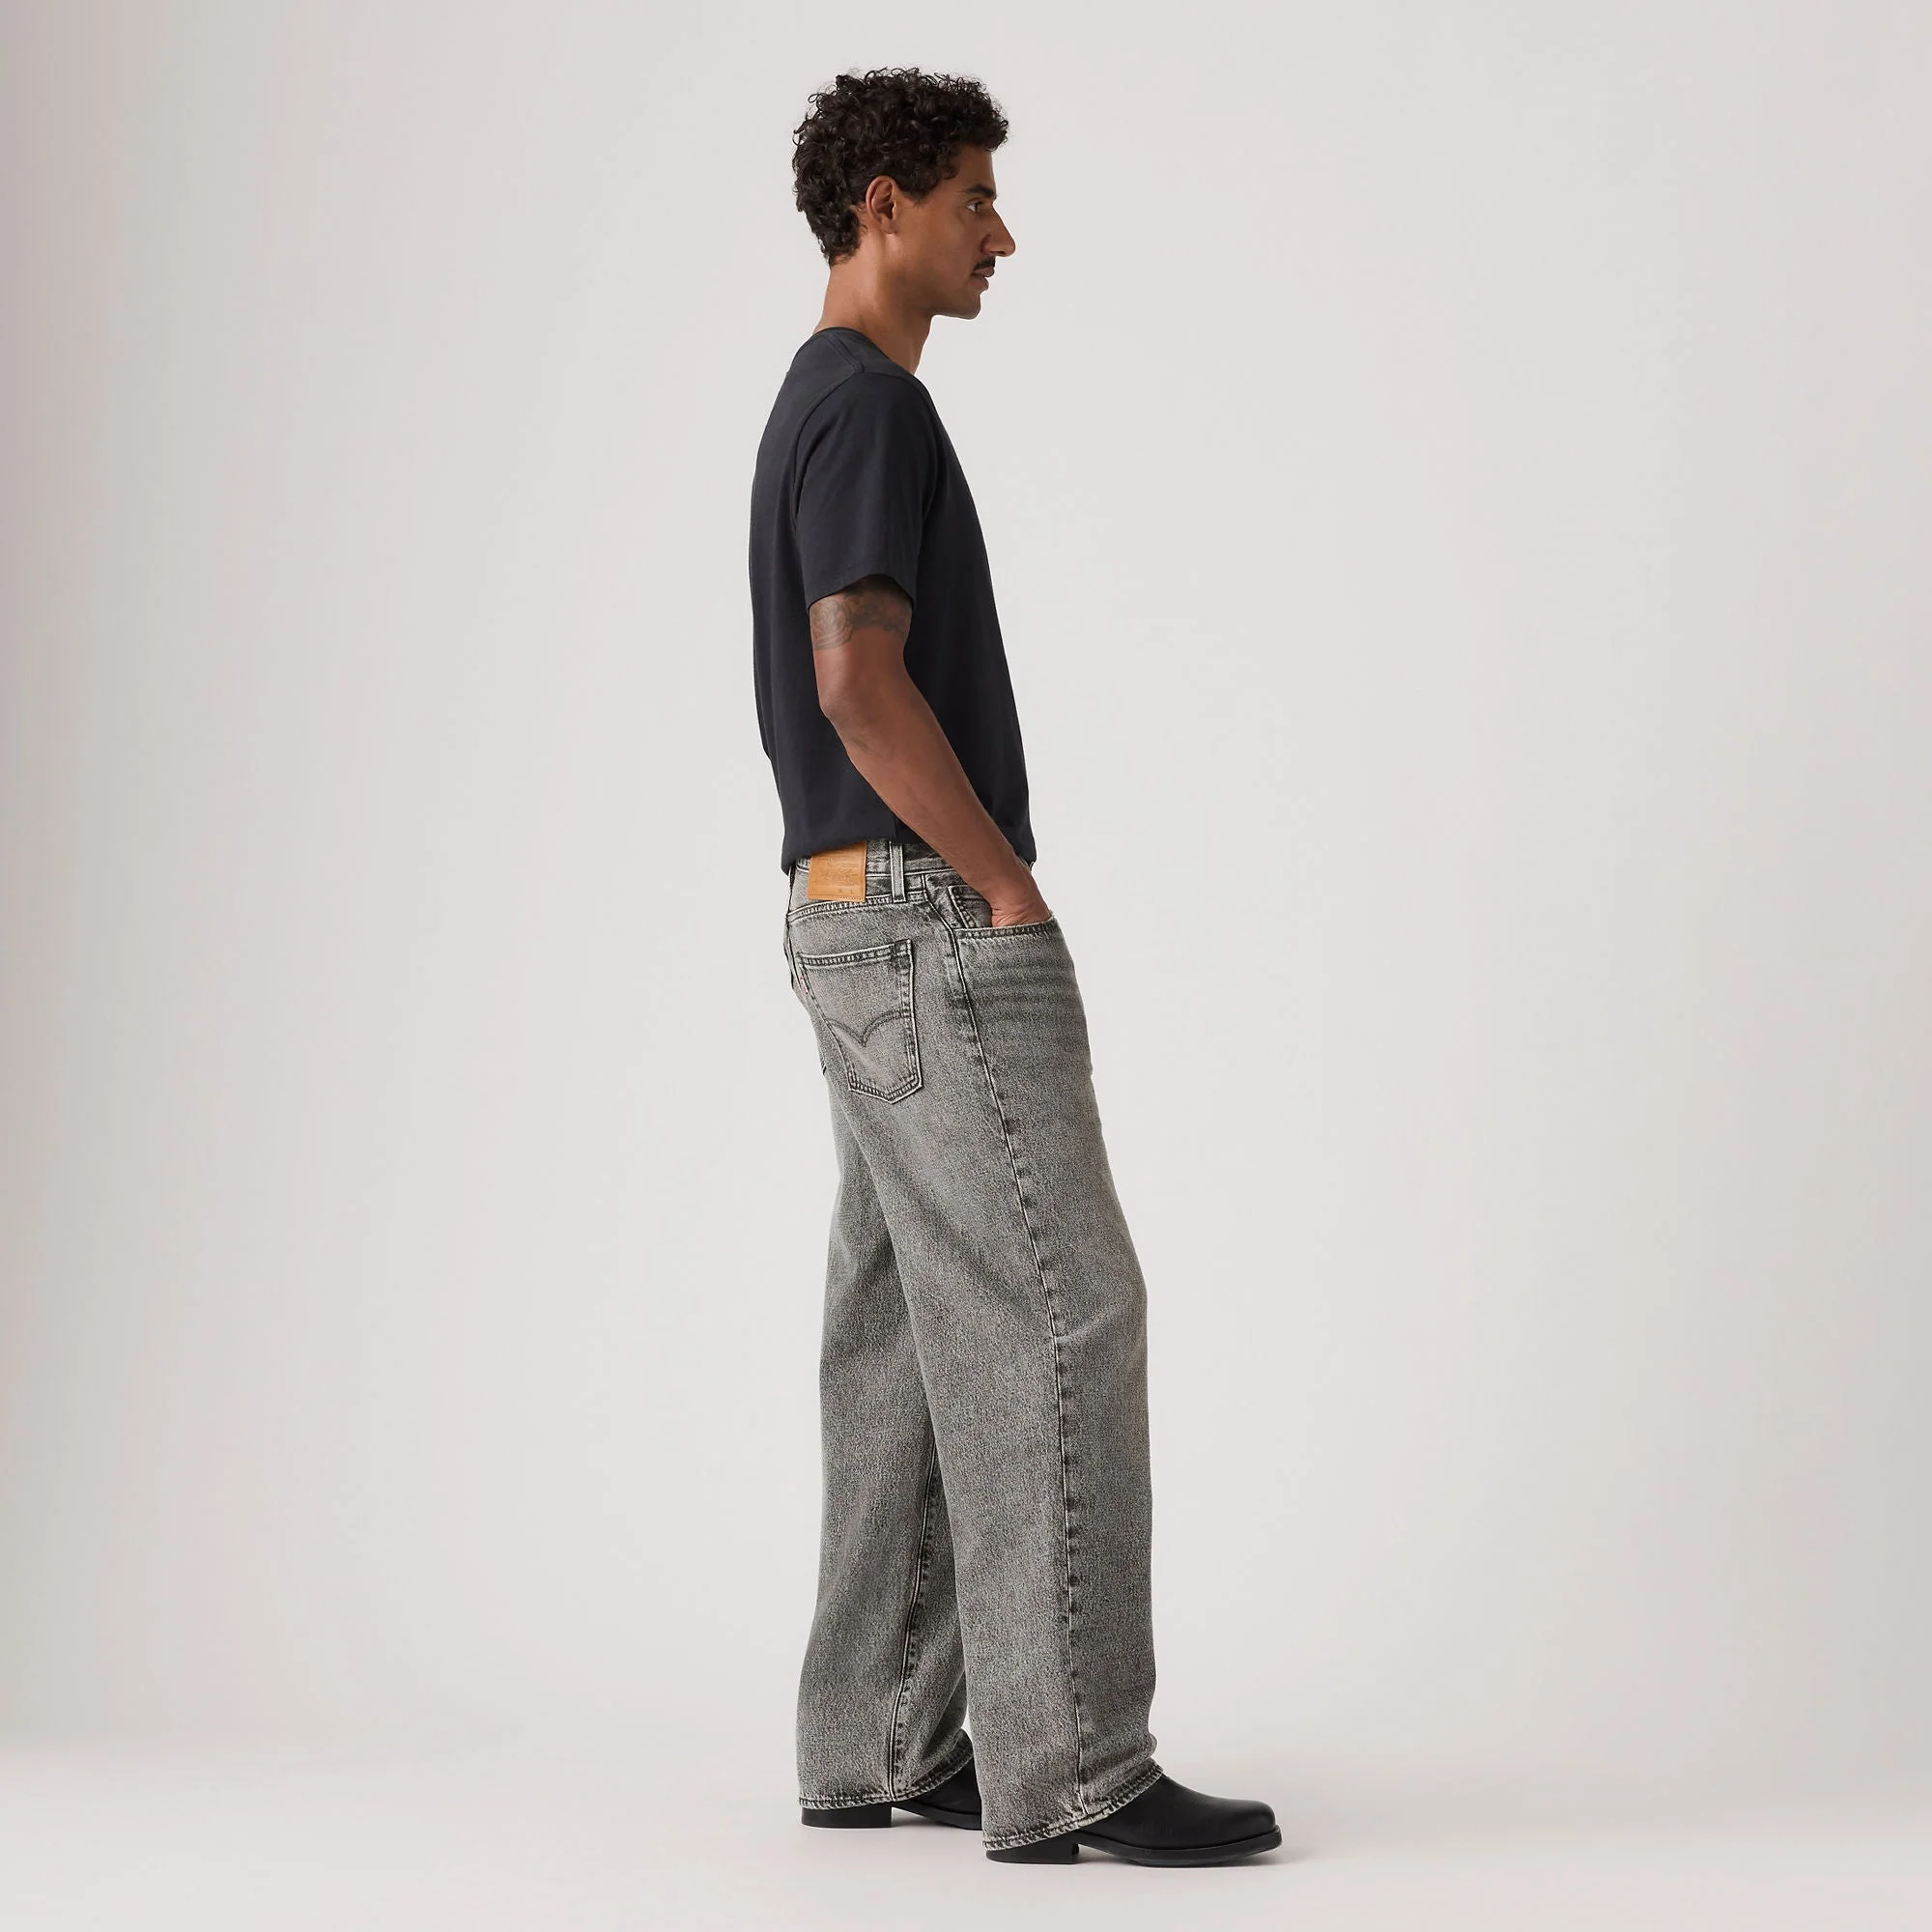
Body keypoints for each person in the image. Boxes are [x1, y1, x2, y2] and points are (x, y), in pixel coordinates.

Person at [748, 67, 1279, 1868]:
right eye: (977, 197)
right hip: (920, 917)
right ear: (885, 203)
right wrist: (1002, 888)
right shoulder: (872, 409)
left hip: (840, 919)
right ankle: (1080, 1766)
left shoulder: (812, 401)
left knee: (906, 1332)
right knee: (1068, 1306)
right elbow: (855, 678)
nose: (1003, 234)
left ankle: (882, 1740)